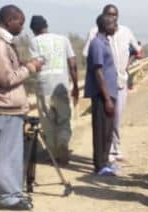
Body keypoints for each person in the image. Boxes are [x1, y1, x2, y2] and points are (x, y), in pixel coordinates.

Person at [0, 5, 44, 211]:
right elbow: (6, 78)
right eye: (20, 22)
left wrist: (24, 65)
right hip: (4, 107)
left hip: (12, 108)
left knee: (13, 154)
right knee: (5, 154)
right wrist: (30, 68)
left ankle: (13, 193)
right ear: (10, 20)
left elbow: (9, 71)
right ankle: (8, 197)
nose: (22, 26)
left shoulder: (4, 43)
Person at [83, 4, 141, 163]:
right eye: (109, 15)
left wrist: (126, 66)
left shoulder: (123, 32)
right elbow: (94, 63)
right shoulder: (96, 38)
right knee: (103, 125)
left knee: (114, 120)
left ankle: (113, 151)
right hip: (104, 87)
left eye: (115, 15)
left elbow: (137, 51)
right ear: (103, 18)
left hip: (119, 81)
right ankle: (102, 160)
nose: (113, 18)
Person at [28, 15, 79, 165]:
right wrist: (75, 85)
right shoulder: (63, 39)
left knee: (48, 123)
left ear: (33, 30)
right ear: (46, 25)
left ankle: (54, 156)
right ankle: (63, 143)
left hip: (44, 87)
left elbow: (35, 64)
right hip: (61, 86)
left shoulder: (34, 42)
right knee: (64, 119)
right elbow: (73, 63)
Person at [85, 14, 118, 175]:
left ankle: (105, 162)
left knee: (108, 130)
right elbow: (98, 71)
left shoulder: (105, 42)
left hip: (110, 94)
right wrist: (106, 99)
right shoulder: (97, 43)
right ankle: (99, 165)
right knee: (101, 130)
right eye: (113, 24)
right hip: (102, 95)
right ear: (104, 26)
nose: (115, 26)